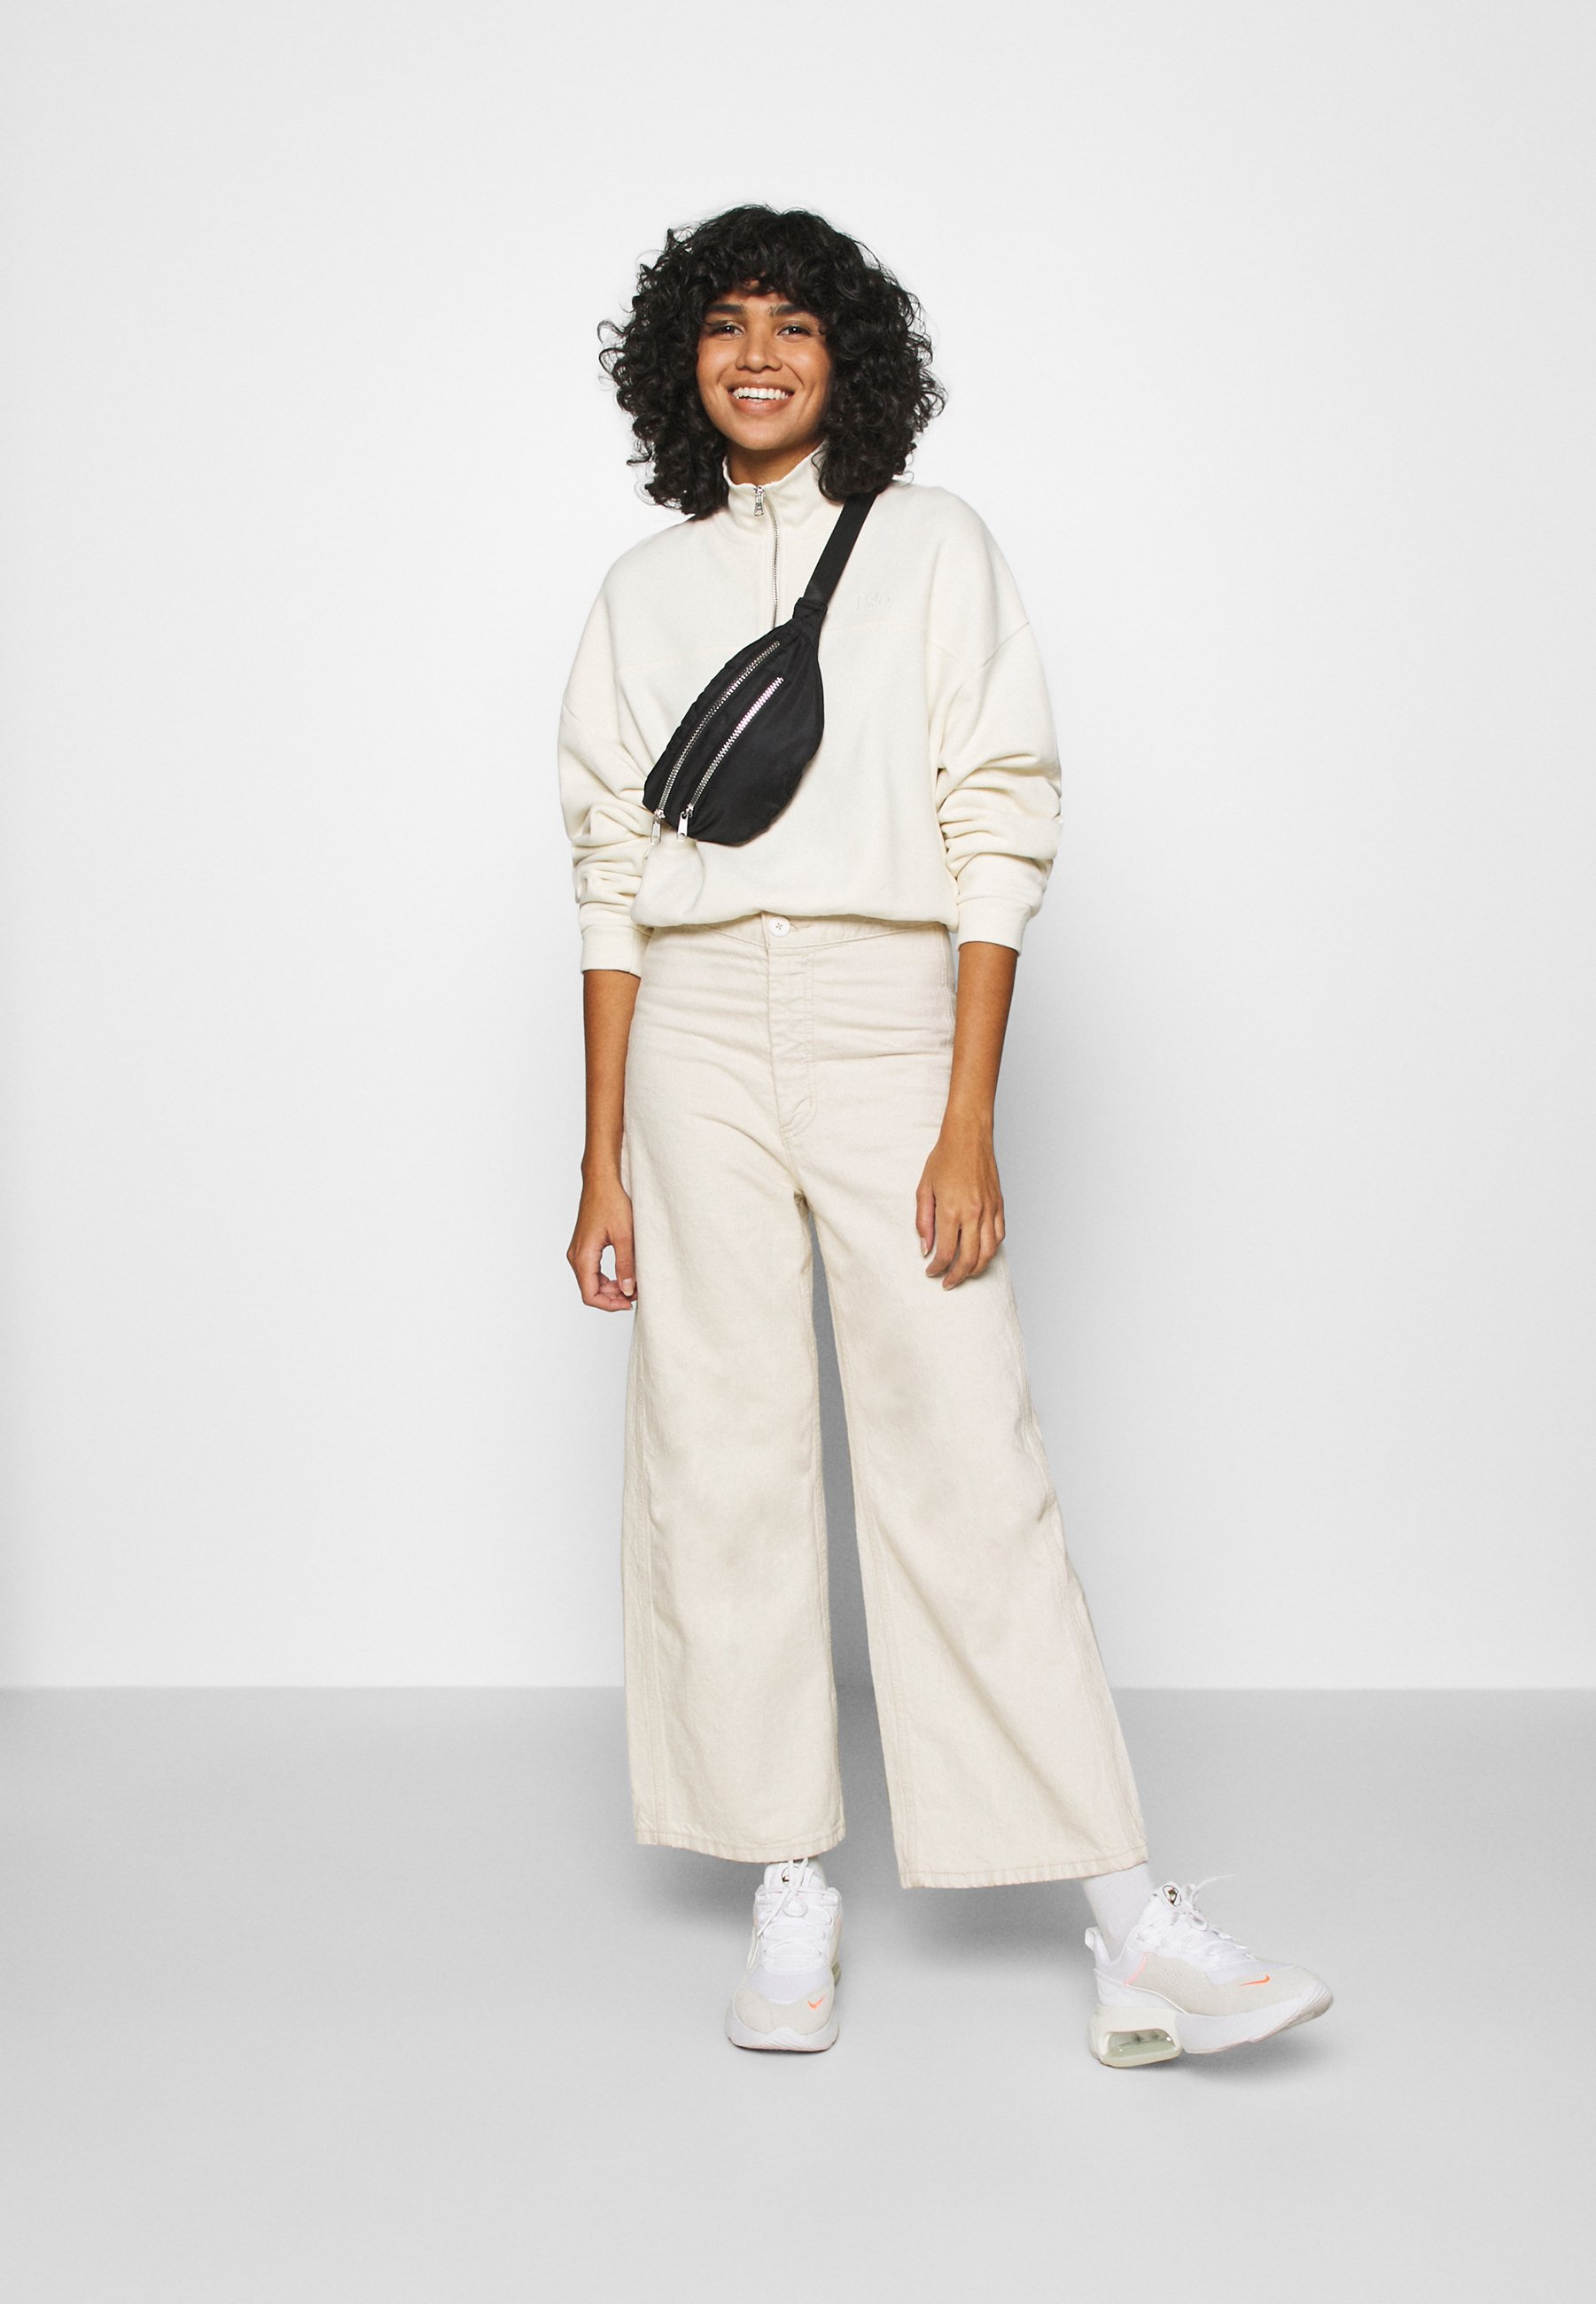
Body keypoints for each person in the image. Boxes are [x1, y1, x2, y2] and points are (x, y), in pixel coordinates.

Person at [558, 204, 1332, 2067]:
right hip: (689, 1036)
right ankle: (788, 1883)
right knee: (718, 1454)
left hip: (888, 1013)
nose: (757, 355)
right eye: (723, 326)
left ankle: (1127, 1923)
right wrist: (599, 1155)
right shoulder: (639, 592)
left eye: (793, 324)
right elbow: (604, 874)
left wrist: (966, 1112)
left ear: (848, 356)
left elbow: (1001, 814)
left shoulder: (932, 547)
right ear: (680, 364)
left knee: (963, 1453)